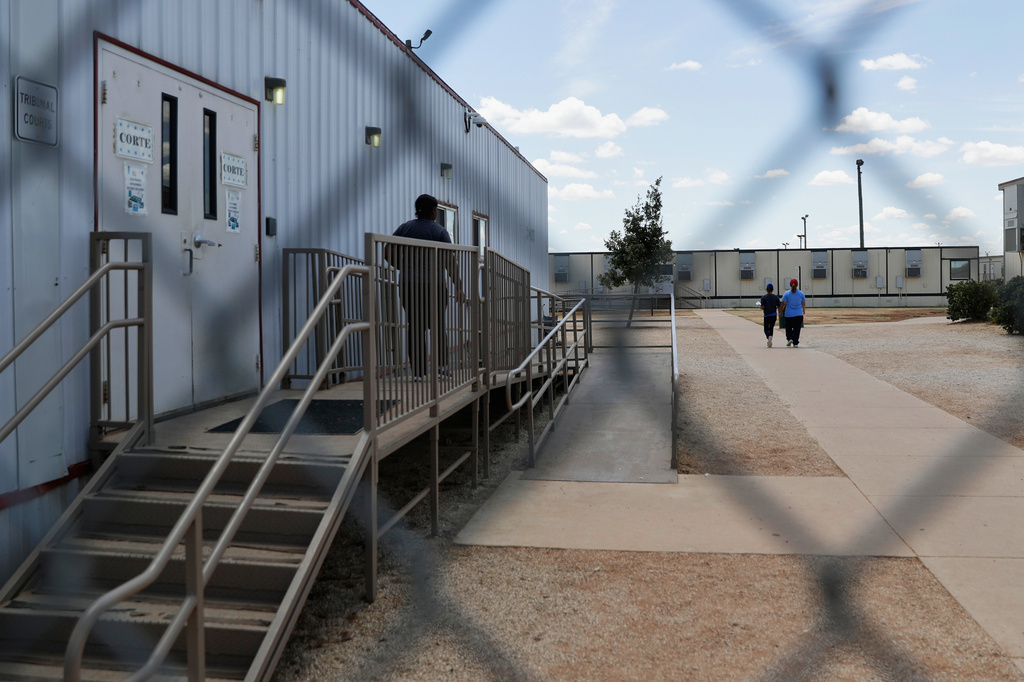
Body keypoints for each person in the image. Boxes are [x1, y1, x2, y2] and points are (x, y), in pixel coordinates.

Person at [390, 194, 465, 379]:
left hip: (409, 284)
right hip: (435, 285)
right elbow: (450, 260)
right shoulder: (439, 231)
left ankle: (418, 373)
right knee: (438, 325)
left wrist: (400, 266)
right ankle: (441, 369)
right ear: (433, 211)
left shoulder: (404, 228)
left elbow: (387, 249)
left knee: (415, 326)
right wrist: (459, 287)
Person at [779, 278, 807, 347]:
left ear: (790, 285)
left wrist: (781, 311)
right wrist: (803, 310)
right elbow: (803, 303)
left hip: (789, 314)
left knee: (788, 327)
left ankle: (790, 338)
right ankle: (796, 343)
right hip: (798, 314)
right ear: (797, 285)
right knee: (797, 329)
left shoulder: (787, 293)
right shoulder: (801, 293)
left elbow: (784, 303)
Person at [759, 283, 781, 347]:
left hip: (767, 315)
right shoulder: (776, 297)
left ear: (766, 290)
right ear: (772, 290)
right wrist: (780, 313)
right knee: (771, 328)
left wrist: (761, 307)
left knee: (766, 328)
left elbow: (762, 307)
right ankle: (770, 338)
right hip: (773, 314)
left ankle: (768, 337)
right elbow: (779, 306)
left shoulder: (764, 297)